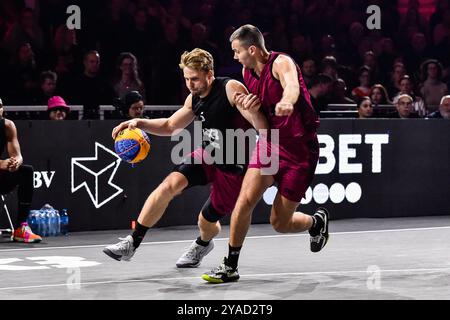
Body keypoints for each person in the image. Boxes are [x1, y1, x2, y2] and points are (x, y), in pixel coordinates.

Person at [103, 48, 267, 268]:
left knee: (206, 221)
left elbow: (259, 125)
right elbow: (171, 125)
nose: (190, 84)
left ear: (209, 74)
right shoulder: (195, 97)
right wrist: (139, 122)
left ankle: (202, 243)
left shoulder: (230, 88)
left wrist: (255, 111)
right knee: (169, 185)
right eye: (187, 78)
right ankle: (132, 242)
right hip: (208, 154)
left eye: (195, 79)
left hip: (233, 167)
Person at [203, 25, 329, 283]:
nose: (235, 57)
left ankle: (316, 223)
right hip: (270, 143)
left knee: (280, 223)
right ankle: (230, 265)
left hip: (300, 152)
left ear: (252, 49)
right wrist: (251, 104)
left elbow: (292, 86)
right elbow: (256, 107)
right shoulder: (246, 72)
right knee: (244, 201)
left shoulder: (281, 62)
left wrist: (287, 101)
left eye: (237, 51)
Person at [0, 98, 41, 243]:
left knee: (26, 171)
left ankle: (20, 228)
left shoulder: (7, 126)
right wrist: (1, 163)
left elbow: (17, 155)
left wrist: (15, 162)